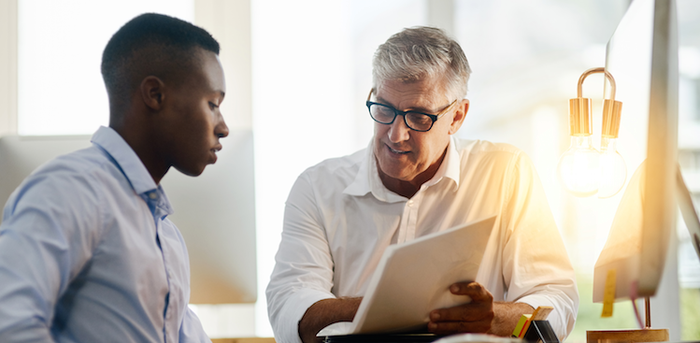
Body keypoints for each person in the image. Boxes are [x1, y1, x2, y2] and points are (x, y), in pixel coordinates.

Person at [266, 27, 578, 343]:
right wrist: (387, 308)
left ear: (457, 116)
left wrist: (495, 318)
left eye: (418, 117)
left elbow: (556, 300)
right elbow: (290, 310)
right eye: (385, 110)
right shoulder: (317, 188)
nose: (395, 134)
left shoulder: (506, 173)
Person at [0, 13, 228, 342]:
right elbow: (9, 321)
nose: (223, 127)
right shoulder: (71, 189)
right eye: (213, 104)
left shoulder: (165, 233)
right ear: (155, 95)